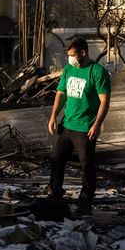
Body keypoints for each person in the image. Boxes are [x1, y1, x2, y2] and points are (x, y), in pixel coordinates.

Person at [47, 37, 111, 214]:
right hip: (67, 125)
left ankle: (86, 198)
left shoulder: (97, 72)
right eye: (68, 55)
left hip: (85, 128)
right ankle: (55, 192)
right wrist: (53, 116)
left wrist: (97, 124)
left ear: (83, 53)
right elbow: (61, 94)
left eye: (73, 55)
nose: (70, 59)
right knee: (56, 158)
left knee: (86, 163)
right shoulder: (69, 69)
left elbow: (104, 101)